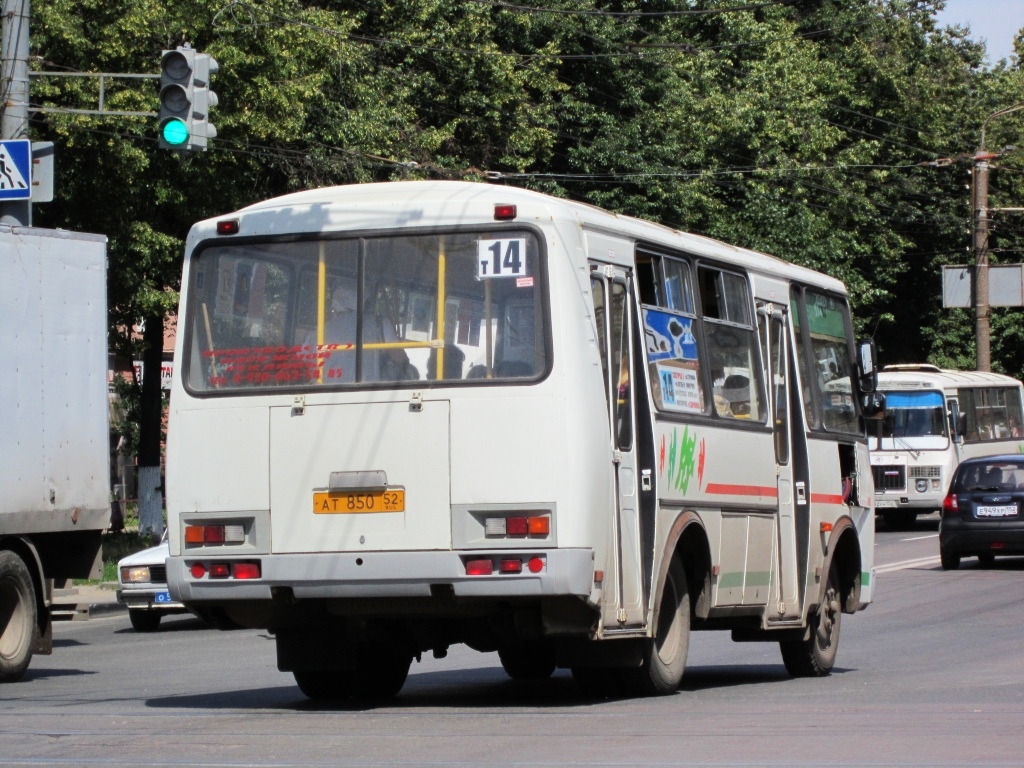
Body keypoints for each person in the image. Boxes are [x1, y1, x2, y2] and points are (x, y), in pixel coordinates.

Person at [312, 282, 412, 383]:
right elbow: (400, 359)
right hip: (369, 393)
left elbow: (304, 361)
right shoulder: (380, 325)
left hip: (325, 393)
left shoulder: (321, 331)